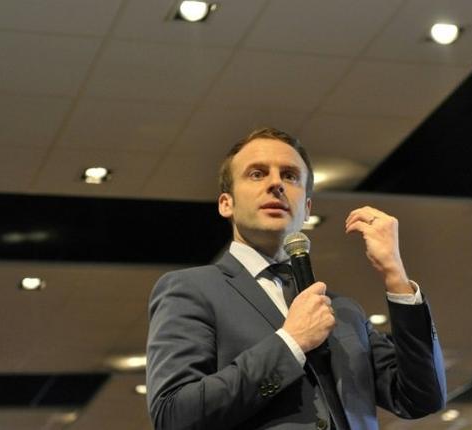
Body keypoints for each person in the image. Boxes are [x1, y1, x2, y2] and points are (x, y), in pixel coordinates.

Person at [146, 128, 446, 430]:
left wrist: (395, 274)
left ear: (307, 209)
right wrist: (291, 343)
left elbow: (422, 398)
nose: (276, 183)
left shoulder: (344, 311)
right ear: (227, 203)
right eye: (257, 174)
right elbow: (172, 415)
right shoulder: (191, 289)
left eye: (290, 176)